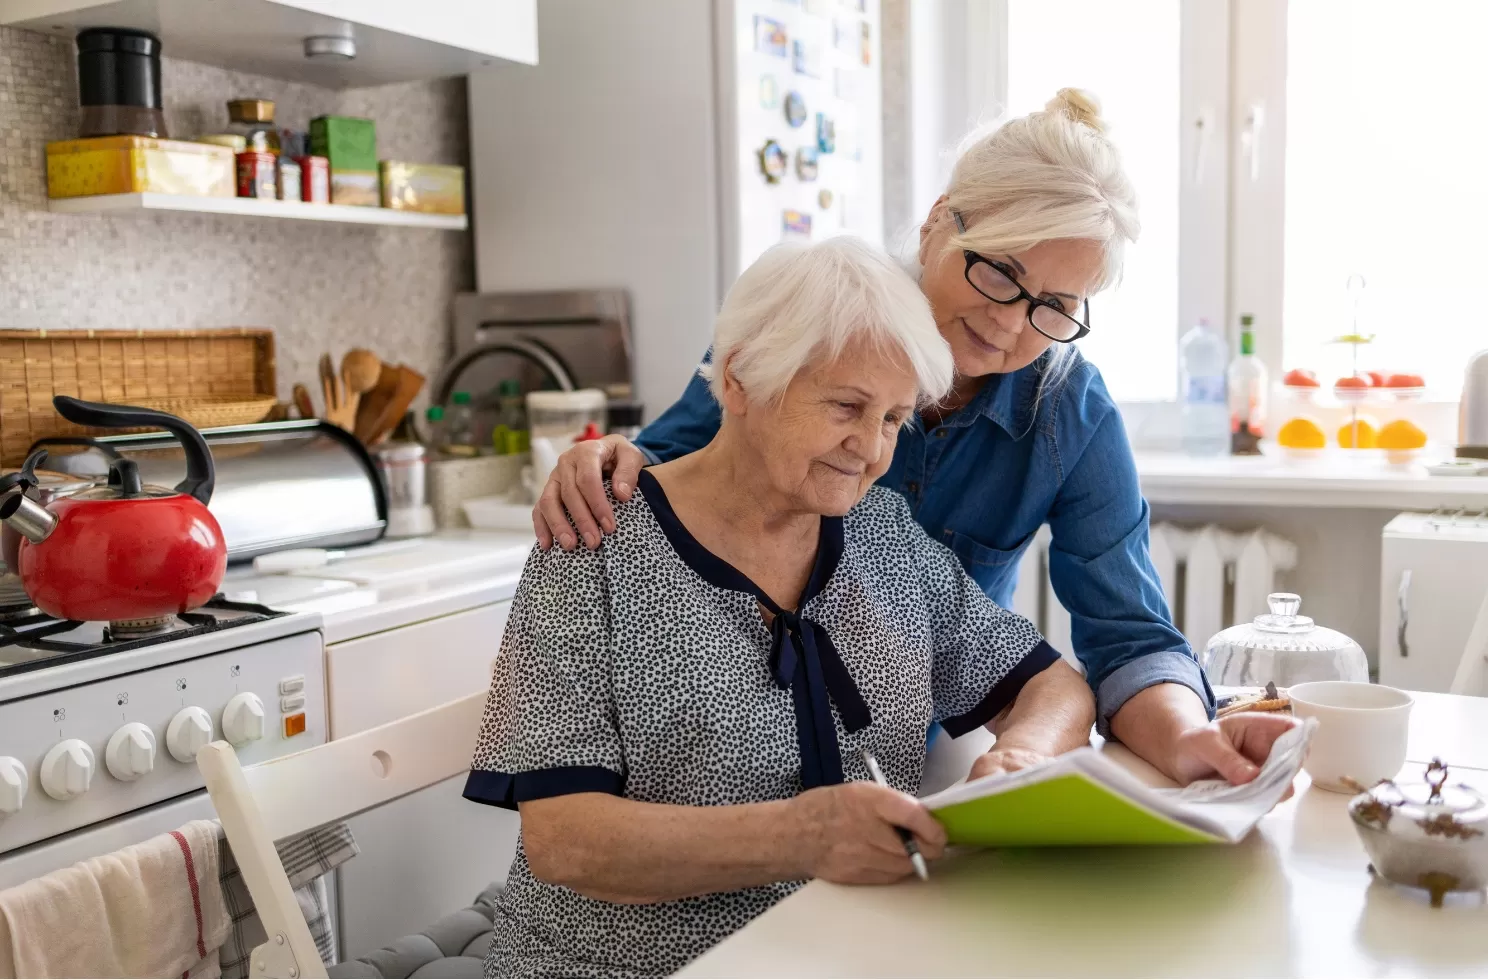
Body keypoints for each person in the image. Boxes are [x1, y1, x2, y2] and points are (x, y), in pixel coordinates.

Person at [532, 88, 1299, 788]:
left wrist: (1190, 736)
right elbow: (667, 473)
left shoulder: (1071, 413)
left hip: (911, 755)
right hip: (723, 755)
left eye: (1054, 305)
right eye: (1000, 272)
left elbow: (1129, 637)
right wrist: (604, 460)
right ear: (939, 222)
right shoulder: (811, 322)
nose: (1007, 323)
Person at [466, 237, 1094, 977]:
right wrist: (800, 836)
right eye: (846, 406)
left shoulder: (882, 535)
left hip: (843, 954)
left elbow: (1054, 686)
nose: (869, 449)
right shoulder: (595, 540)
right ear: (740, 380)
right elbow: (565, 840)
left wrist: (1019, 757)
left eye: (894, 419)